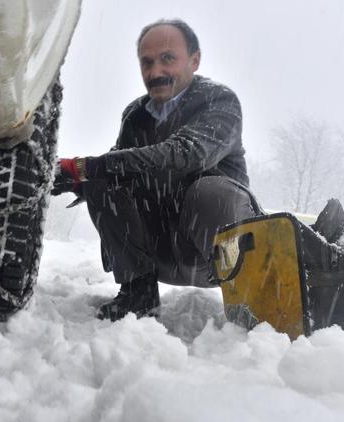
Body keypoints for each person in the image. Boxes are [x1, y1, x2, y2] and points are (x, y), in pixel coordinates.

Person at [52, 19, 258, 321]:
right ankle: (138, 296)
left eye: (167, 59)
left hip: (215, 254)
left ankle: (253, 299)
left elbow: (187, 154)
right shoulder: (136, 116)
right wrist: (74, 180)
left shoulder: (219, 102)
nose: (155, 72)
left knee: (210, 191)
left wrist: (86, 166)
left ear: (195, 60)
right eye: (147, 62)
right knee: (101, 181)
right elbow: (118, 171)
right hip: (162, 255)